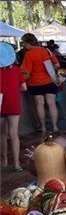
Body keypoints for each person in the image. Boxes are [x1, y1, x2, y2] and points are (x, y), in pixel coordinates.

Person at [20, 33, 60, 133]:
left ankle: (43, 127)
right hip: (50, 81)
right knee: (52, 103)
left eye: (24, 43)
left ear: (28, 43)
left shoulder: (29, 54)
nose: (24, 45)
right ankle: (55, 127)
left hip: (35, 83)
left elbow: (26, 71)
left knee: (39, 104)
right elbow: (57, 65)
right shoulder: (46, 51)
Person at [0, 42, 27, 171]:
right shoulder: (17, 70)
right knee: (14, 133)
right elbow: (24, 87)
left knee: (2, 134)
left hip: (0, 104)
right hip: (13, 103)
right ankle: (16, 164)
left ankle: (4, 160)